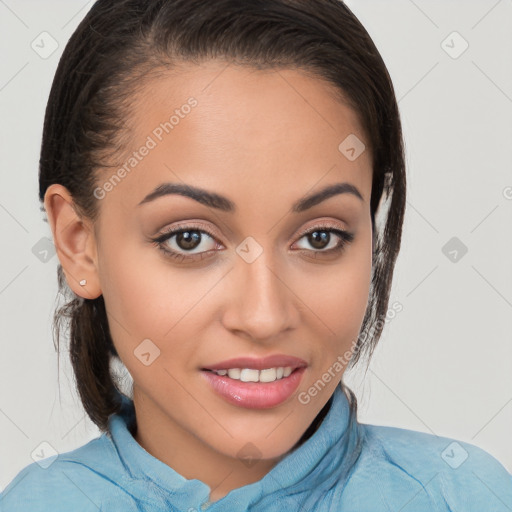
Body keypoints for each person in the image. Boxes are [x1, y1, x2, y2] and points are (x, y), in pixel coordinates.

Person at [1, 0, 511, 510]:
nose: (264, 316)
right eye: (190, 239)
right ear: (78, 243)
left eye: (319, 237)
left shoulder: (463, 496)